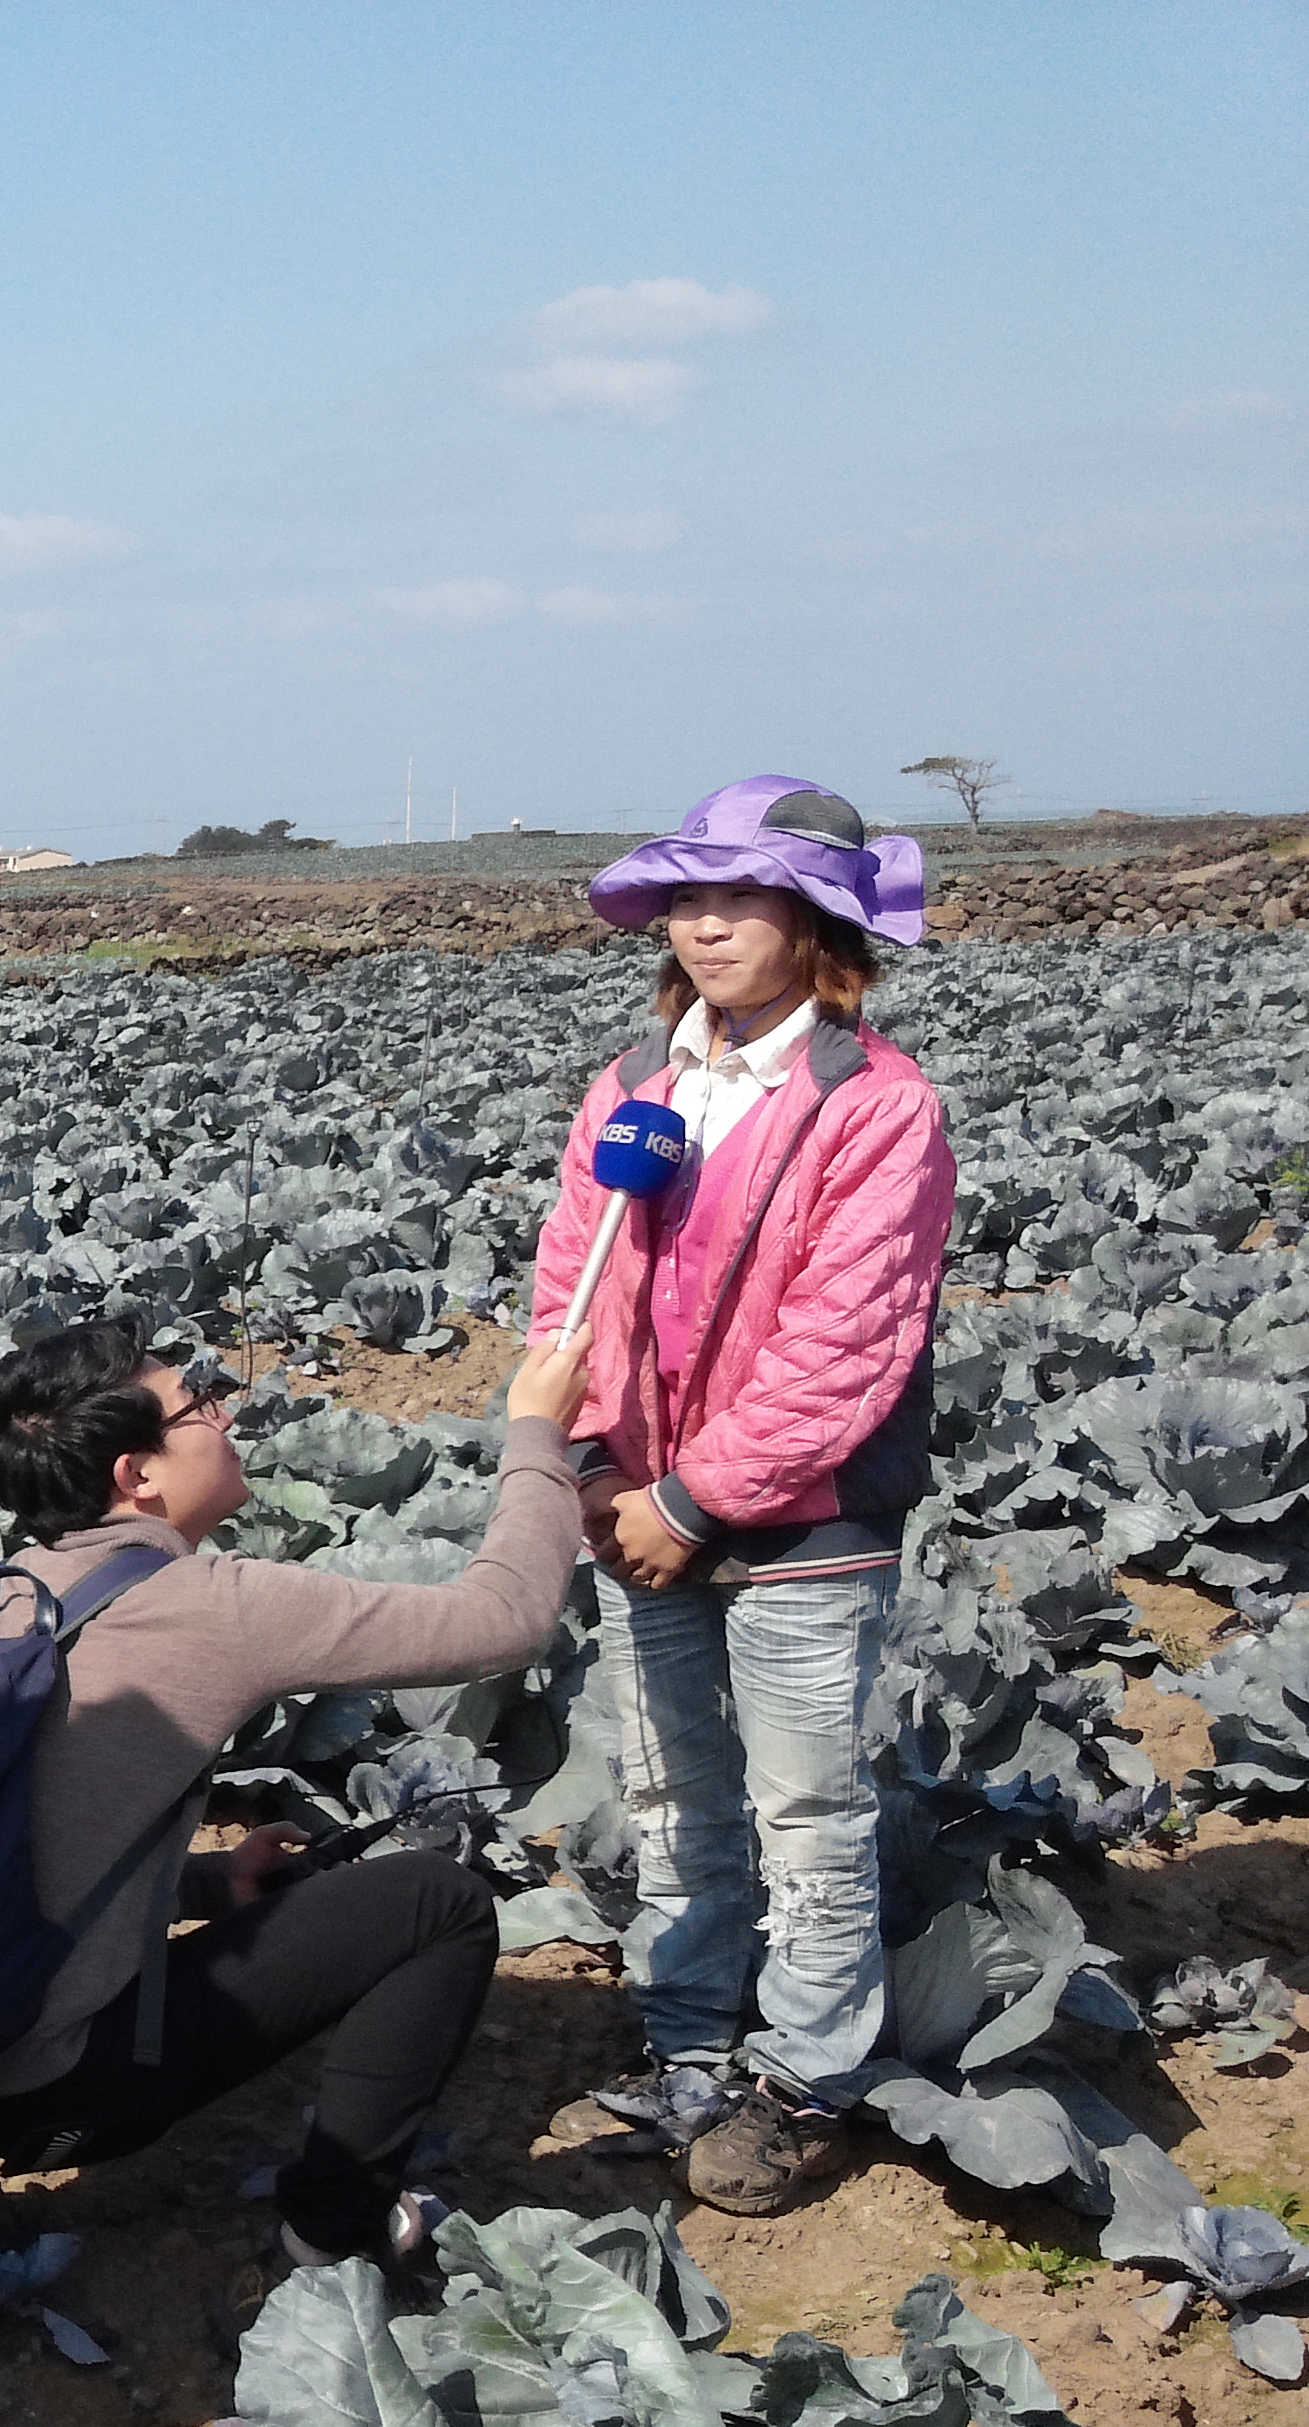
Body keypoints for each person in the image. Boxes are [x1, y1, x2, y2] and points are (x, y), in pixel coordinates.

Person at [0, 1312, 591, 2267]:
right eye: (197, 1404)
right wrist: (539, 1432)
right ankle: (338, 2228)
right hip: (67, 2097)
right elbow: (506, 1621)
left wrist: (210, 1889)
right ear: (138, 1475)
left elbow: (21, 1848)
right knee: (437, 1901)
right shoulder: (217, 1605)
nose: (225, 1412)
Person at [530, 775, 949, 2216]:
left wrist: (693, 1503)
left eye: (740, 899)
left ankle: (806, 2080)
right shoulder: (636, 1089)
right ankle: (693, 2039)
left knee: (809, 1807)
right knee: (670, 1790)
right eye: (685, 902)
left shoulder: (876, 1109)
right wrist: (591, 1465)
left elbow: (847, 1345)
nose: (704, 928)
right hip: (630, 1499)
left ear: (815, 919)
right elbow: (565, 1286)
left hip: (802, 1519)